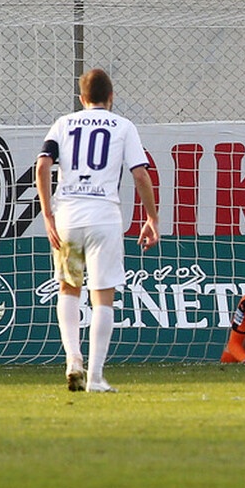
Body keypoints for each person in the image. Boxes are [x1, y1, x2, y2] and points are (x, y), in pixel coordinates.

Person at [36, 67, 159, 393]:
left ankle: (73, 359)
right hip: (104, 217)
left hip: (68, 219)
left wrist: (47, 214)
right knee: (103, 296)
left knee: (69, 288)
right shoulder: (123, 126)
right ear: (111, 97)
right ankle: (95, 377)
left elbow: (43, 164)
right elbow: (141, 175)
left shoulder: (63, 123)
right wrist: (152, 219)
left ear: (81, 98)